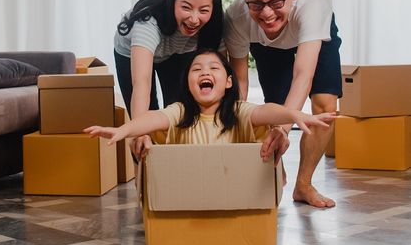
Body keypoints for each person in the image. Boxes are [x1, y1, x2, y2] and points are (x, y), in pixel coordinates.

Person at [223, 0, 342, 208]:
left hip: (311, 34)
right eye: (256, 3)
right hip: (266, 45)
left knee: (324, 107)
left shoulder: (312, 4)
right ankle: (275, 172)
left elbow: (303, 75)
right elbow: (240, 86)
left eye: (277, 2)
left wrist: (285, 129)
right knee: (273, 110)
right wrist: (238, 123)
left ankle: (303, 185)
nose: (266, 13)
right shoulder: (236, 17)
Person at [85, 49, 335, 163]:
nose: (205, 71)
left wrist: (291, 113)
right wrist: (126, 130)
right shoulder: (181, 111)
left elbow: (264, 111)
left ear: (228, 81)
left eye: (214, 68)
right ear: (189, 83)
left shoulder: (237, 110)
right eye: (197, 69)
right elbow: (153, 118)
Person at [114, 0, 224, 155]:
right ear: (173, 1)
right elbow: (142, 83)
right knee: (145, 123)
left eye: (204, 10)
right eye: (186, 8)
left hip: (176, 53)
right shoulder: (148, 24)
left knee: (179, 111)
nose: (194, 19)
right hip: (131, 53)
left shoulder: (214, 26)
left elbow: (221, 77)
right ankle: (148, 174)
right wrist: (139, 132)